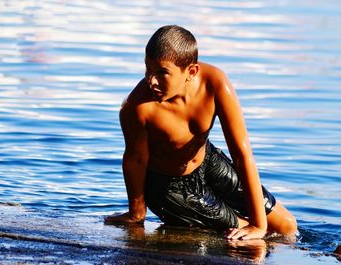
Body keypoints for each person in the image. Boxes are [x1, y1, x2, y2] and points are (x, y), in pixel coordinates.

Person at [104, 25, 297, 240]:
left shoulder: (215, 83)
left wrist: (259, 225)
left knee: (286, 226)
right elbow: (135, 159)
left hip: (208, 162)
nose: (152, 80)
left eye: (162, 72)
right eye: (148, 69)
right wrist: (136, 213)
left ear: (191, 71)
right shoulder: (137, 107)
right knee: (242, 235)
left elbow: (242, 155)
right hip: (170, 187)